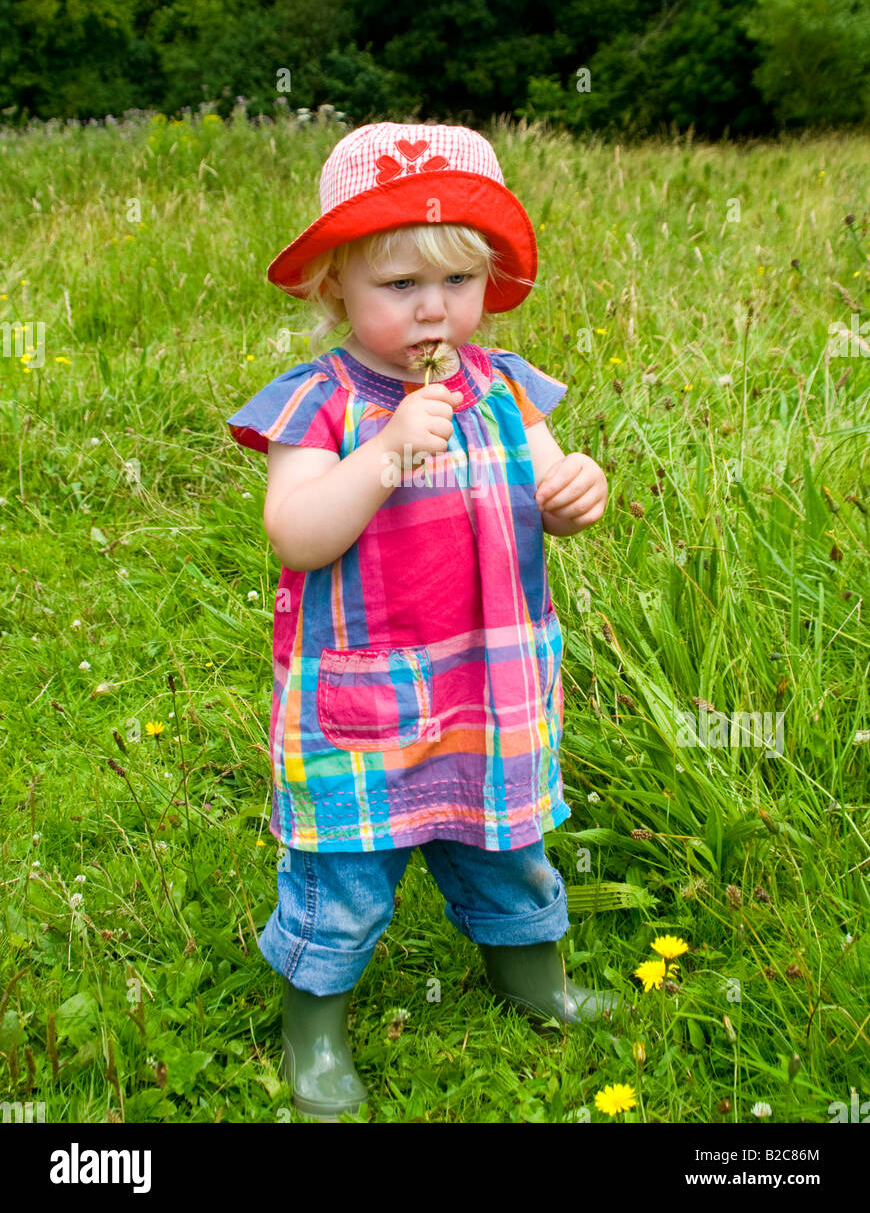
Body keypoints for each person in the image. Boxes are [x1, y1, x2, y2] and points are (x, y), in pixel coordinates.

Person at [225, 122, 620, 1121]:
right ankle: (315, 1027)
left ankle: (535, 978)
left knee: (509, 846)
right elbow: (298, 533)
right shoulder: (318, 404)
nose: (434, 308)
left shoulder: (506, 391)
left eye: (457, 283)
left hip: (490, 691)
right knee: (343, 871)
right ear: (335, 290)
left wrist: (577, 490)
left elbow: (547, 487)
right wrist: (387, 452)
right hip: (362, 706)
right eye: (399, 285)